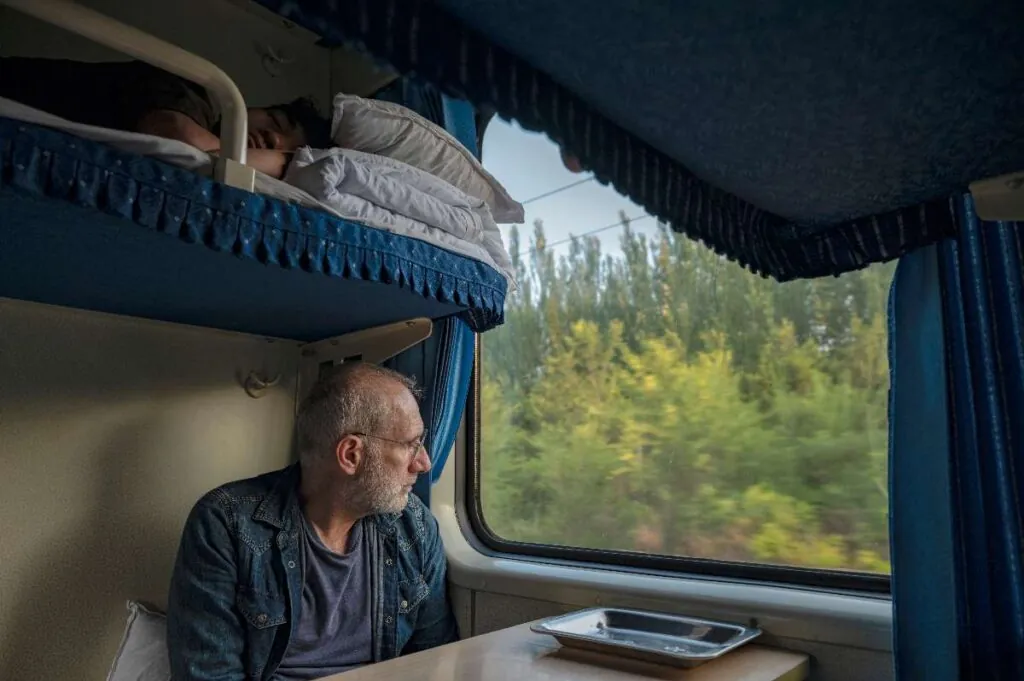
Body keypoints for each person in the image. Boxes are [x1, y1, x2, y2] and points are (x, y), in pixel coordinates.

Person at [166, 362, 458, 681]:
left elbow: (436, 658)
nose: (424, 463)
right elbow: (210, 675)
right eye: (411, 445)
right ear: (350, 455)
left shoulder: (413, 525)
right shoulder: (226, 524)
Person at [0, 57, 331, 177]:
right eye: (275, 121)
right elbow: (177, 140)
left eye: (285, 148)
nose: (273, 138)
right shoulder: (197, 91)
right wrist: (281, 161)